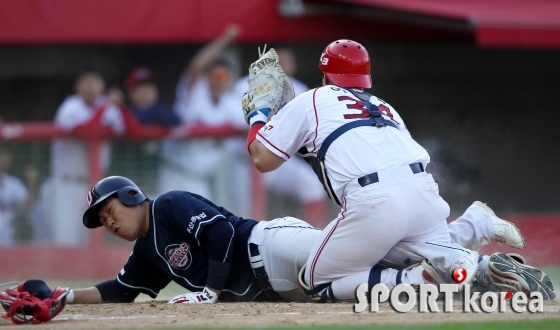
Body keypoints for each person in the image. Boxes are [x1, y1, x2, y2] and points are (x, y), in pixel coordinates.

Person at [20, 176, 554, 306]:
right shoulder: (147, 251)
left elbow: (226, 234)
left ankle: (469, 237)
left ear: (131, 198)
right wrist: (62, 298)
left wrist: (209, 290)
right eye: (100, 221)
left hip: (270, 247)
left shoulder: (171, 206)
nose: (108, 222)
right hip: (275, 285)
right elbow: (120, 290)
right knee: (354, 291)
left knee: (362, 258)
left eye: (109, 211)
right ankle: (453, 256)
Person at [244, 39, 482, 301]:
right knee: (433, 257)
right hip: (426, 194)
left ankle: (414, 280)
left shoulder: (312, 98)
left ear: (325, 75)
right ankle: (487, 260)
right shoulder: (385, 107)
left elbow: (263, 160)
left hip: (375, 201)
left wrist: (259, 115)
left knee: (316, 283)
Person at [233, 48, 328, 228]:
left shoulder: (299, 90)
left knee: (312, 186)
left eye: (287, 62)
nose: (282, 67)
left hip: (279, 159)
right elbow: (240, 124)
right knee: (245, 213)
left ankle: (316, 235)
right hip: (243, 162)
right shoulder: (245, 86)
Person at [163, 25, 248, 215]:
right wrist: (225, 39)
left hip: (201, 179)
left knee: (203, 229)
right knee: (162, 227)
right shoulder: (196, 91)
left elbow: (247, 129)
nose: (219, 80)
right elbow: (196, 66)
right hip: (173, 173)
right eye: (215, 75)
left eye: (224, 76)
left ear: (230, 80)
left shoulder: (230, 104)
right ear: (207, 77)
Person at [50, 71, 125, 245]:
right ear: (78, 86)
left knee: (91, 241)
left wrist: (122, 106)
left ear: (103, 87)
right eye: (86, 83)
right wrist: (107, 105)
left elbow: (130, 129)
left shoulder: (105, 105)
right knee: (65, 241)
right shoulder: (70, 106)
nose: (91, 88)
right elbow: (87, 130)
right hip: (68, 184)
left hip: (96, 187)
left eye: (95, 83)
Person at [0, 149, 28, 245]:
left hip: (9, 234)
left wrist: (31, 184)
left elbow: (27, 207)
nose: (5, 161)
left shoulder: (14, 183)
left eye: (7, 159)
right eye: (2, 157)